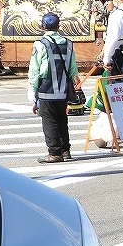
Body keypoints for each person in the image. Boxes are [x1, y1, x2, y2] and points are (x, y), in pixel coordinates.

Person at [27, 13, 77, 163]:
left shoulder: (40, 44)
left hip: (46, 87)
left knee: (49, 120)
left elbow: (34, 70)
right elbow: (73, 69)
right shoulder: (68, 43)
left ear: (43, 27)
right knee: (62, 119)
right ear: (58, 26)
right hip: (63, 88)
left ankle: (55, 152)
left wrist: (32, 90)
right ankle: (65, 150)